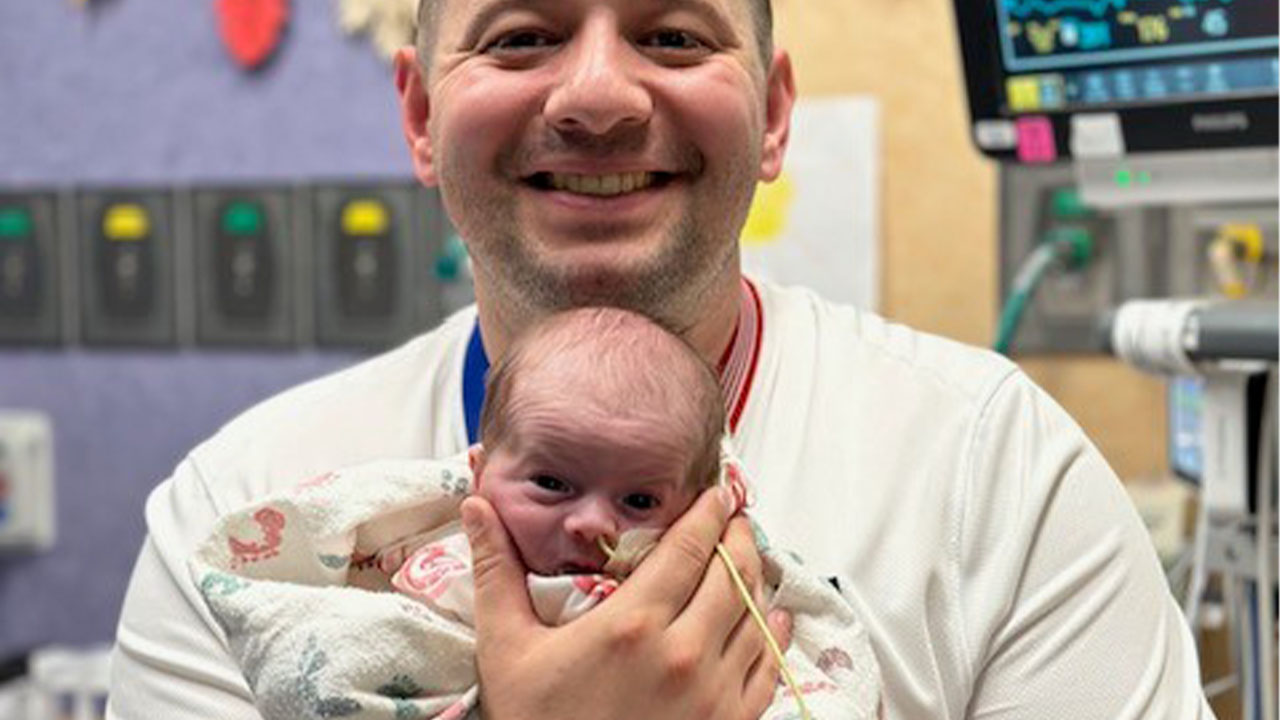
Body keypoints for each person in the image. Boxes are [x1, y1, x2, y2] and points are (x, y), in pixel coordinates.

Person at [108, 0, 1215, 717]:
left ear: (772, 117)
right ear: (419, 116)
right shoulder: (241, 524)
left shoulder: (1000, 478)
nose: (594, 96)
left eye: (675, 36)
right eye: (520, 36)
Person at [186, 307, 880, 720]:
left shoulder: (729, 576)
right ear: (480, 474)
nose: (591, 524)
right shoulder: (427, 560)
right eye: (550, 482)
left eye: (639, 500)